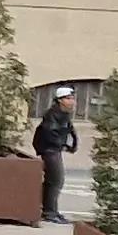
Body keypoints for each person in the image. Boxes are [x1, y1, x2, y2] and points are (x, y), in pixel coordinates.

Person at [37, 87, 82, 223]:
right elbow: (50, 133)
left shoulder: (63, 114)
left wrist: (71, 144)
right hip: (50, 150)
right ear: (60, 100)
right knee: (55, 180)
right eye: (68, 98)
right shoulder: (52, 115)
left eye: (72, 98)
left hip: (55, 150)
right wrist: (62, 144)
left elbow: (69, 131)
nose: (72, 101)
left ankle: (52, 210)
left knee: (56, 180)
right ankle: (49, 212)